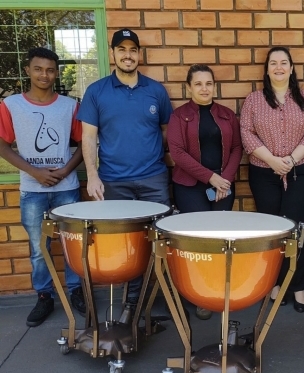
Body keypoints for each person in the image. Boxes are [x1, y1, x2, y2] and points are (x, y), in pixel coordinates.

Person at [77, 29, 173, 312]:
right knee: (127, 244)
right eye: (122, 49)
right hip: (114, 182)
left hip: (154, 178)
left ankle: (161, 295)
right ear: (113, 54)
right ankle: (133, 299)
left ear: (139, 54)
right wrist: (92, 175)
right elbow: (89, 138)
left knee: (159, 236)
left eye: (133, 49)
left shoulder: (155, 91)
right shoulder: (97, 91)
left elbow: (167, 132)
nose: (128, 55)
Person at [0, 47, 86, 326]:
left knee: (72, 242)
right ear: (28, 70)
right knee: (39, 248)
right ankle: (44, 297)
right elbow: (2, 145)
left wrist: (64, 171)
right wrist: (34, 172)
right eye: (38, 69)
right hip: (32, 189)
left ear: (57, 72)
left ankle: (75, 291)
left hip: (67, 187)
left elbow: (84, 144)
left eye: (50, 69)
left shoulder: (70, 105)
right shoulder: (12, 105)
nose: (44, 75)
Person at [240, 46, 304, 313]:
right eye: (273, 63)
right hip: (264, 172)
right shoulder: (253, 100)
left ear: (291, 67)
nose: (279, 67)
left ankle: (297, 285)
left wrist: (291, 160)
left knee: (296, 227)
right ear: (267, 69)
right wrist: (274, 161)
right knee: (273, 228)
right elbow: (247, 134)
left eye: (283, 62)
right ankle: (275, 284)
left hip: (300, 170)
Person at [167, 64, 242, 320]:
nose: (204, 88)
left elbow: (236, 148)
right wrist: (212, 178)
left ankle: (219, 289)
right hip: (190, 188)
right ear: (189, 87)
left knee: (220, 240)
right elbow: (177, 153)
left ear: (214, 85)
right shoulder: (178, 116)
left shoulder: (227, 115)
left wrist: (225, 181)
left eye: (208, 83)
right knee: (199, 241)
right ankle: (199, 293)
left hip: (223, 187)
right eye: (198, 84)